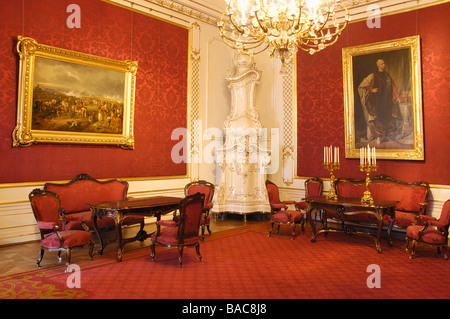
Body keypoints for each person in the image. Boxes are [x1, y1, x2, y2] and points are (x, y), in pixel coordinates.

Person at [358, 59, 400, 145]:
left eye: (384, 63)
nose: (384, 65)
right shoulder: (373, 75)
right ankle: (378, 137)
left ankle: (386, 136)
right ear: (378, 65)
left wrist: (397, 96)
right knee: (378, 119)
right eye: (381, 64)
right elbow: (364, 84)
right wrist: (371, 89)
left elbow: (393, 86)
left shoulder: (388, 75)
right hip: (376, 101)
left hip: (387, 101)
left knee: (387, 118)